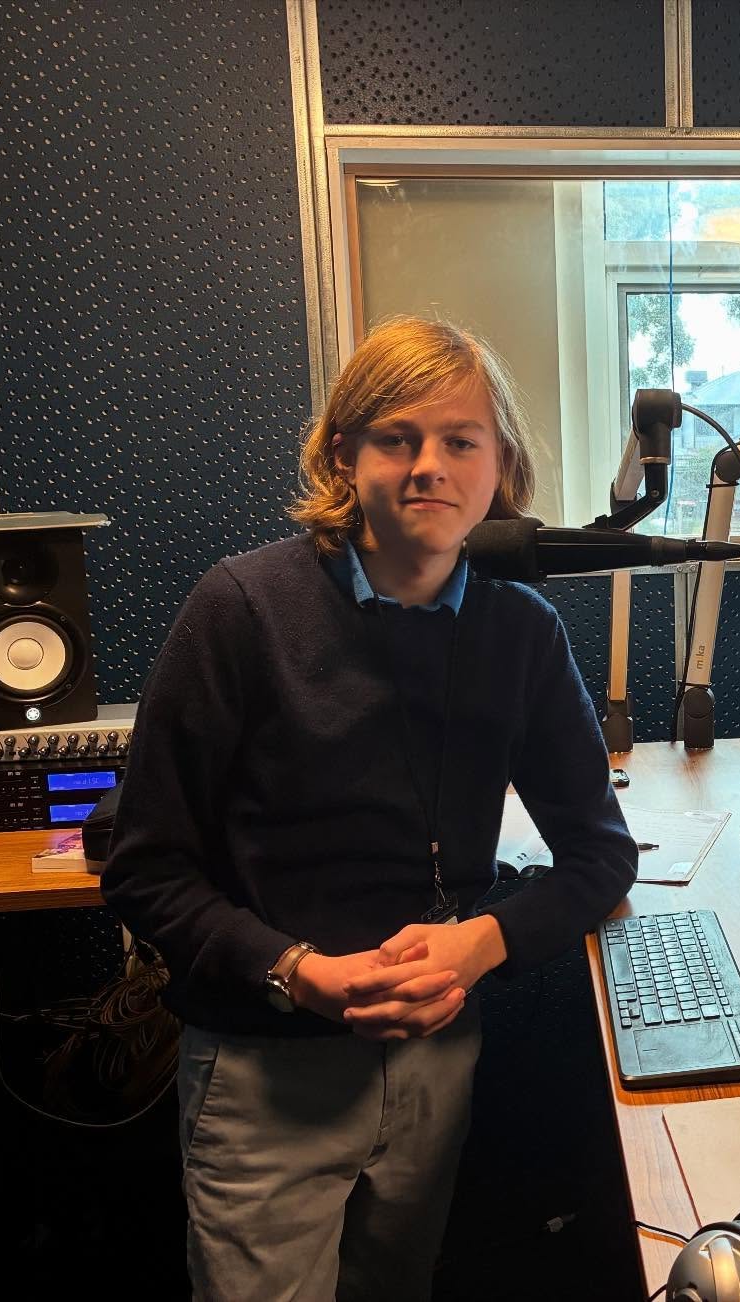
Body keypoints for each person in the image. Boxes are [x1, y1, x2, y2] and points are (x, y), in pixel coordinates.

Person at [100, 316, 638, 1301]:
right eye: (398, 438)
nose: (430, 466)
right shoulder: (241, 609)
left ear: (500, 465)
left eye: (461, 441)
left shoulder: (520, 630)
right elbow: (145, 866)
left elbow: (601, 857)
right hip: (265, 1070)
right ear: (344, 455)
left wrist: (480, 944)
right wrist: (297, 972)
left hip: (438, 1056)